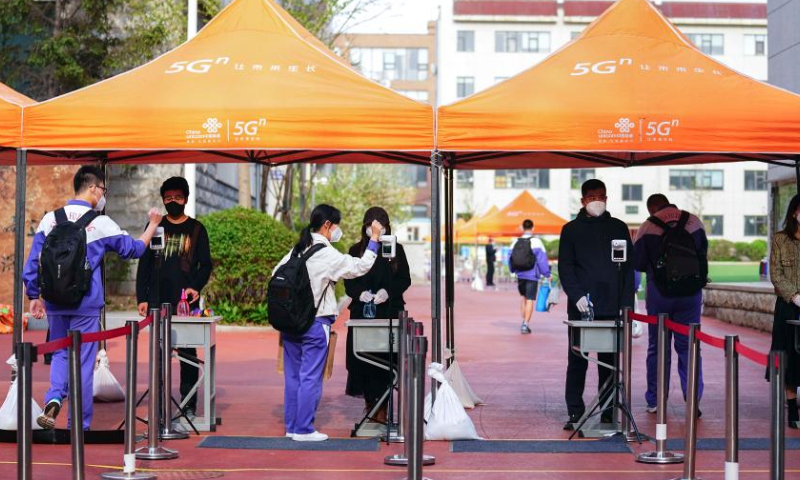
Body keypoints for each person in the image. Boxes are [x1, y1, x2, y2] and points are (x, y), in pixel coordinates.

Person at [23, 166, 162, 430]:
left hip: (54, 301)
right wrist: (153, 225)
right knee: (84, 363)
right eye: (103, 190)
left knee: (61, 354)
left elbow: (33, 263)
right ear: (93, 188)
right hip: (85, 304)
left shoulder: (49, 219)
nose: (103, 195)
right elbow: (133, 250)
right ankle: (78, 424)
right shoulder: (100, 222)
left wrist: (34, 295)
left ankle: (53, 398)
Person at [274, 204, 383, 441]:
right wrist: (374, 239)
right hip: (315, 323)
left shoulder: (297, 249)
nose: (338, 230)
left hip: (290, 323)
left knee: (292, 377)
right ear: (327, 225)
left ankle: (292, 426)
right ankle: (304, 430)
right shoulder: (326, 253)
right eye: (337, 225)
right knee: (311, 376)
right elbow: (360, 266)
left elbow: (275, 275)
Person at [558, 179, 635, 429]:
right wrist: (576, 295)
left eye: (601, 196)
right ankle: (575, 413)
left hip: (612, 307)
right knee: (578, 360)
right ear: (582, 201)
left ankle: (608, 411)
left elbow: (627, 270)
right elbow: (566, 268)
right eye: (592, 198)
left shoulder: (619, 227)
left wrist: (627, 308)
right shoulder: (570, 230)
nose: (597, 201)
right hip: (581, 308)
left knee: (609, 364)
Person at [135, 176, 213, 418]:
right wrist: (142, 297)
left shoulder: (198, 229)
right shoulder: (155, 227)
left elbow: (205, 265)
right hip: (157, 301)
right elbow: (144, 264)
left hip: (185, 302)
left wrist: (196, 287)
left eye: (177, 198)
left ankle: (187, 405)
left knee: (187, 354)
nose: (173, 202)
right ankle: (159, 406)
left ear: (186, 199)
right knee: (159, 355)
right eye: (168, 198)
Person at [633, 194, 708, 415]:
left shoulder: (647, 227)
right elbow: (703, 253)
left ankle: (656, 400)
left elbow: (638, 263)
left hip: (660, 294)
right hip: (691, 294)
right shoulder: (694, 221)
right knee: (690, 347)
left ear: (652, 209)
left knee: (658, 347)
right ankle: (693, 400)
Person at [344, 207, 411, 423]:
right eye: (371, 226)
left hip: (388, 312)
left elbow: (404, 279)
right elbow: (349, 280)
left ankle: (383, 409)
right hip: (362, 314)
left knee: (386, 360)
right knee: (362, 361)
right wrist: (359, 293)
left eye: (380, 226)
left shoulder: (395, 250)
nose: (375, 231)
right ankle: (370, 405)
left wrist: (387, 292)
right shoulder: (355, 250)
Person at [768, 194, 800, 429]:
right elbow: (776, 273)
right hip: (788, 306)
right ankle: (792, 409)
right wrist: (795, 296)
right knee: (789, 356)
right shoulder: (781, 239)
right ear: (794, 213)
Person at [508, 219, 550, 334]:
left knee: (524, 298)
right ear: (533, 228)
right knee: (530, 299)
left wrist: (513, 271)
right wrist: (546, 274)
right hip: (532, 275)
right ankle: (525, 324)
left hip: (520, 274)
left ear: (522, 228)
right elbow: (542, 260)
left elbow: (509, 258)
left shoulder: (515, 242)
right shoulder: (537, 242)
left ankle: (524, 321)